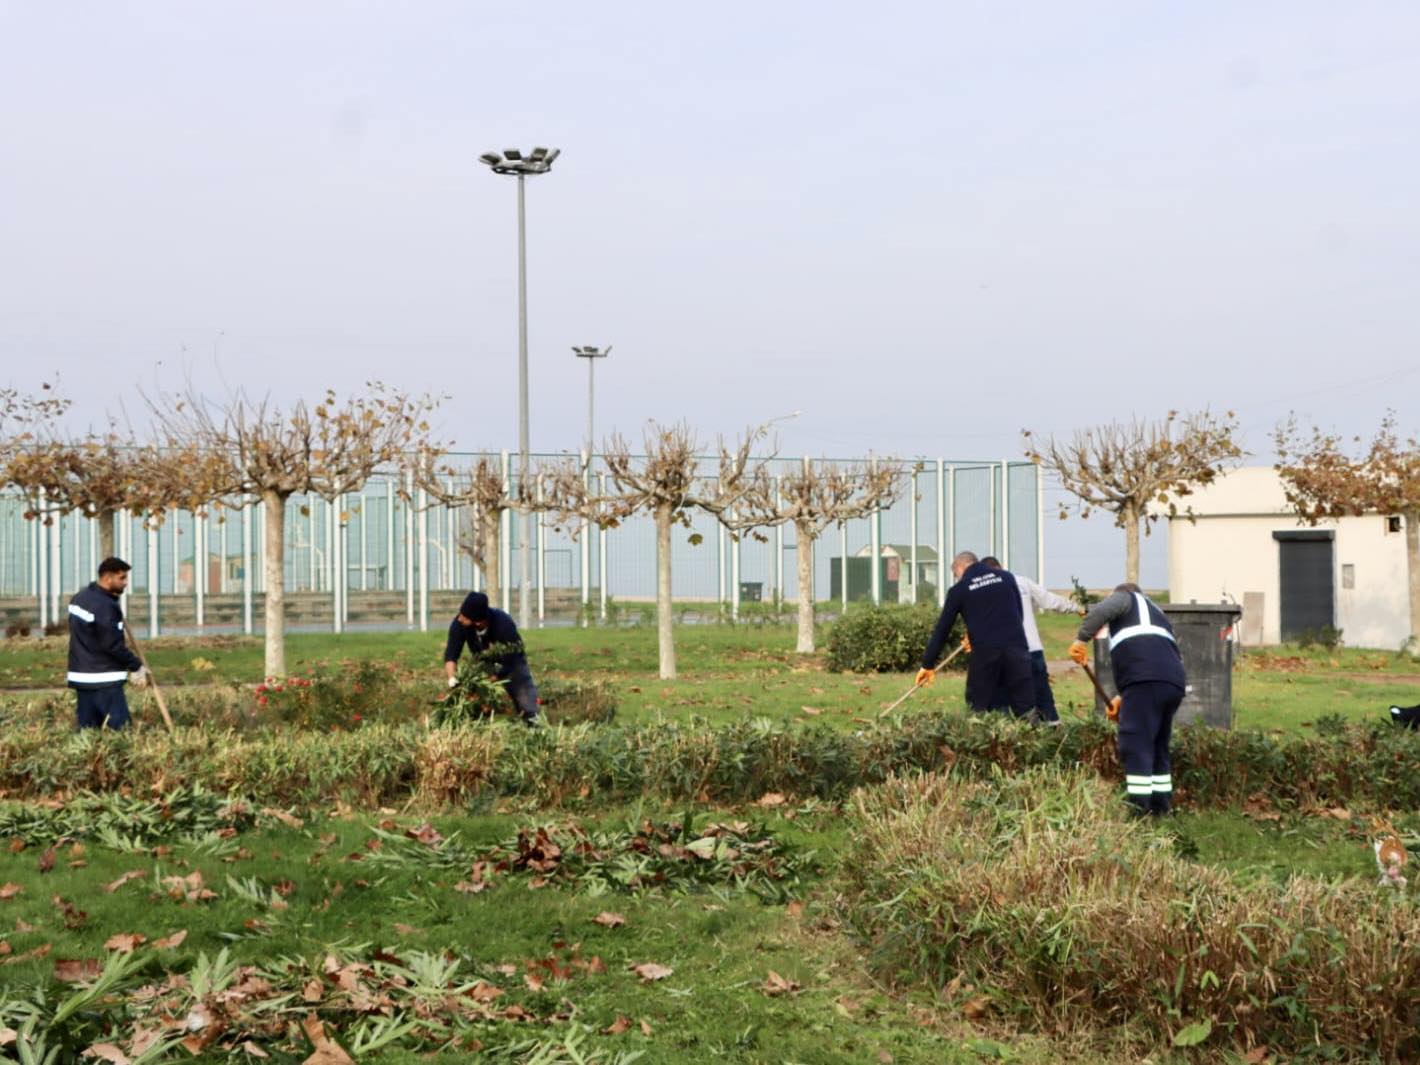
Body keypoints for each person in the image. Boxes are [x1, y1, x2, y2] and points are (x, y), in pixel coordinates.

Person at [1070, 583, 1186, 816]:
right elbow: (1152, 654)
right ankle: (1160, 808)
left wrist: (1081, 640)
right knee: (1157, 744)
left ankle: (1139, 810)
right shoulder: (1156, 612)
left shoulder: (1125, 597)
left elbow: (1099, 612)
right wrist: (1122, 697)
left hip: (1145, 681)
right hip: (1171, 682)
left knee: (1136, 742)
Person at [916, 550, 1034, 718]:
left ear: (960, 567)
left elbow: (942, 630)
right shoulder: (1007, 577)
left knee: (978, 705)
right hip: (1016, 647)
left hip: (985, 653)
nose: (957, 578)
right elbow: (1018, 613)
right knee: (1025, 705)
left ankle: (985, 738)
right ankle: (1031, 740)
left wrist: (927, 664)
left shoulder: (960, 589)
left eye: (955, 574)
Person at [980, 557, 1079, 724]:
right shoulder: (1022, 582)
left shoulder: (983, 588)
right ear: (1000, 567)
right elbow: (1050, 600)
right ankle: (1052, 730)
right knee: (1042, 695)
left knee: (1001, 698)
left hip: (1001, 653)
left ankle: (1006, 736)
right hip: (1031, 649)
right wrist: (1077, 608)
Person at [67, 557, 148, 730]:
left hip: (81, 676)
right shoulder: (105, 606)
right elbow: (112, 645)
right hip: (104, 679)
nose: (126, 583)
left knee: (88, 732)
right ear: (107, 578)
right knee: (120, 731)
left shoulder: (80, 598)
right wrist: (136, 666)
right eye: (122, 578)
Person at [443, 591, 540, 726]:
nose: (460, 618)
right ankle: (476, 729)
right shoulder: (459, 624)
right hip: (483, 663)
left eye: (464, 616)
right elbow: (451, 654)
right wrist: (452, 679)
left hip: (511, 663)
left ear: (478, 621)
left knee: (526, 701)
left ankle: (533, 727)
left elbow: (512, 657)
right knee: (474, 702)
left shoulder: (503, 624)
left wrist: (494, 677)